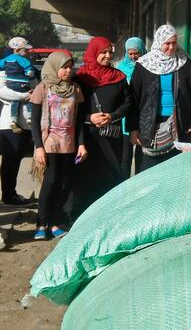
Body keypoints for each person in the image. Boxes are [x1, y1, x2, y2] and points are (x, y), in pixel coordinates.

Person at [128, 25, 191, 172]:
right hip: (150, 126)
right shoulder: (144, 65)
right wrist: (133, 128)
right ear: (158, 42)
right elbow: (133, 98)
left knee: (177, 170)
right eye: (167, 43)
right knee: (150, 170)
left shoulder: (184, 63)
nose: (171, 47)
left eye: (174, 43)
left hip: (181, 125)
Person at [30, 52, 87, 240]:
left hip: (69, 144)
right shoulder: (43, 88)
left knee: (64, 183)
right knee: (51, 181)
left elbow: (79, 121)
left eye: (71, 67)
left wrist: (81, 144)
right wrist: (38, 146)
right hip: (50, 143)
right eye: (64, 67)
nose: (68, 71)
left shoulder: (75, 89)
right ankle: (41, 223)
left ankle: (55, 222)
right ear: (55, 67)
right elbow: (35, 121)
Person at [74, 37, 131, 214]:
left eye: (110, 53)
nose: (108, 56)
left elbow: (129, 103)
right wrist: (89, 118)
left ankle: (111, 214)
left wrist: (112, 116)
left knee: (112, 174)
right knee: (87, 176)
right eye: (103, 52)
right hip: (87, 137)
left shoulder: (119, 78)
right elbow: (72, 109)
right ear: (94, 52)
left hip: (112, 136)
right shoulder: (81, 79)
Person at [0, 71, 34, 206]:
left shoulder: (29, 71)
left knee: (17, 160)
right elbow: (3, 92)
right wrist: (25, 95)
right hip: (9, 124)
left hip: (27, 124)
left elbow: (35, 88)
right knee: (10, 160)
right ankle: (8, 196)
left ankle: (11, 194)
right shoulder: (4, 72)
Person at [117, 37, 146, 176]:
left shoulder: (148, 66)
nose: (133, 57)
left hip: (143, 116)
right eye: (130, 53)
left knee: (143, 154)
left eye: (137, 53)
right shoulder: (120, 69)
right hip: (125, 118)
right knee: (125, 157)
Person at [0, 37, 36, 134]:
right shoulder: (4, 70)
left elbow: (35, 86)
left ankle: (26, 118)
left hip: (27, 127)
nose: (28, 52)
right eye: (26, 50)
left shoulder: (28, 67)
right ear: (17, 50)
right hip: (7, 126)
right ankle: (21, 119)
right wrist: (26, 96)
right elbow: (2, 92)